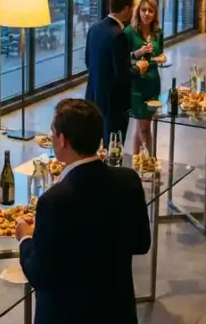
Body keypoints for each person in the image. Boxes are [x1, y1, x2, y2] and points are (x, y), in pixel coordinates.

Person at [15, 99, 151, 324]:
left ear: (63, 140)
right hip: (117, 311)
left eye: (53, 132)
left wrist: (26, 238)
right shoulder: (128, 180)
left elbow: (40, 274)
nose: (51, 138)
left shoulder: (54, 201)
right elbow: (141, 243)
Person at [85, 0, 148, 146]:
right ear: (126, 9)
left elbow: (88, 62)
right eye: (132, 8)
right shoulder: (119, 35)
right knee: (114, 147)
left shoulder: (95, 28)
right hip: (114, 104)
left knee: (96, 146)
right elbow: (123, 75)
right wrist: (139, 68)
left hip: (94, 97)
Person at [124, 0, 167, 155]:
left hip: (153, 82)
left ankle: (137, 162)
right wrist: (139, 52)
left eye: (150, 11)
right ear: (138, 11)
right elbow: (122, 57)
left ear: (155, 14)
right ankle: (151, 161)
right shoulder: (129, 32)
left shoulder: (158, 32)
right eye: (144, 10)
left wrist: (161, 58)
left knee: (141, 125)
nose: (147, 14)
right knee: (144, 127)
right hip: (137, 83)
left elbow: (160, 53)